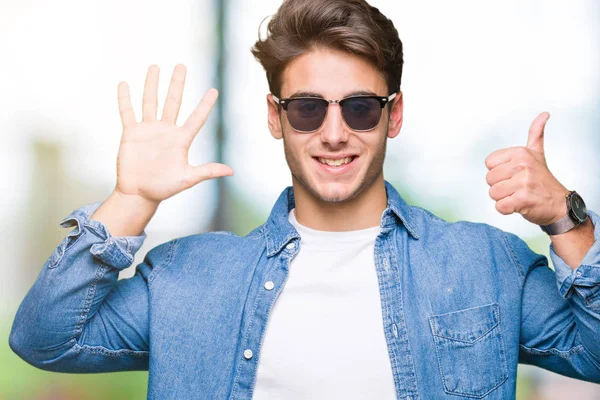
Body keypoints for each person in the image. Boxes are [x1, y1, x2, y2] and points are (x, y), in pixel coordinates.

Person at [9, 0, 600, 399]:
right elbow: (45, 339)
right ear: (276, 117)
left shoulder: (483, 264)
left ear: (393, 116)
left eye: (361, 107)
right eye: (309, 108)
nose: (335, 132)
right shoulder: (189, 279)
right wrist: (130, 198)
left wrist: (565, 220)